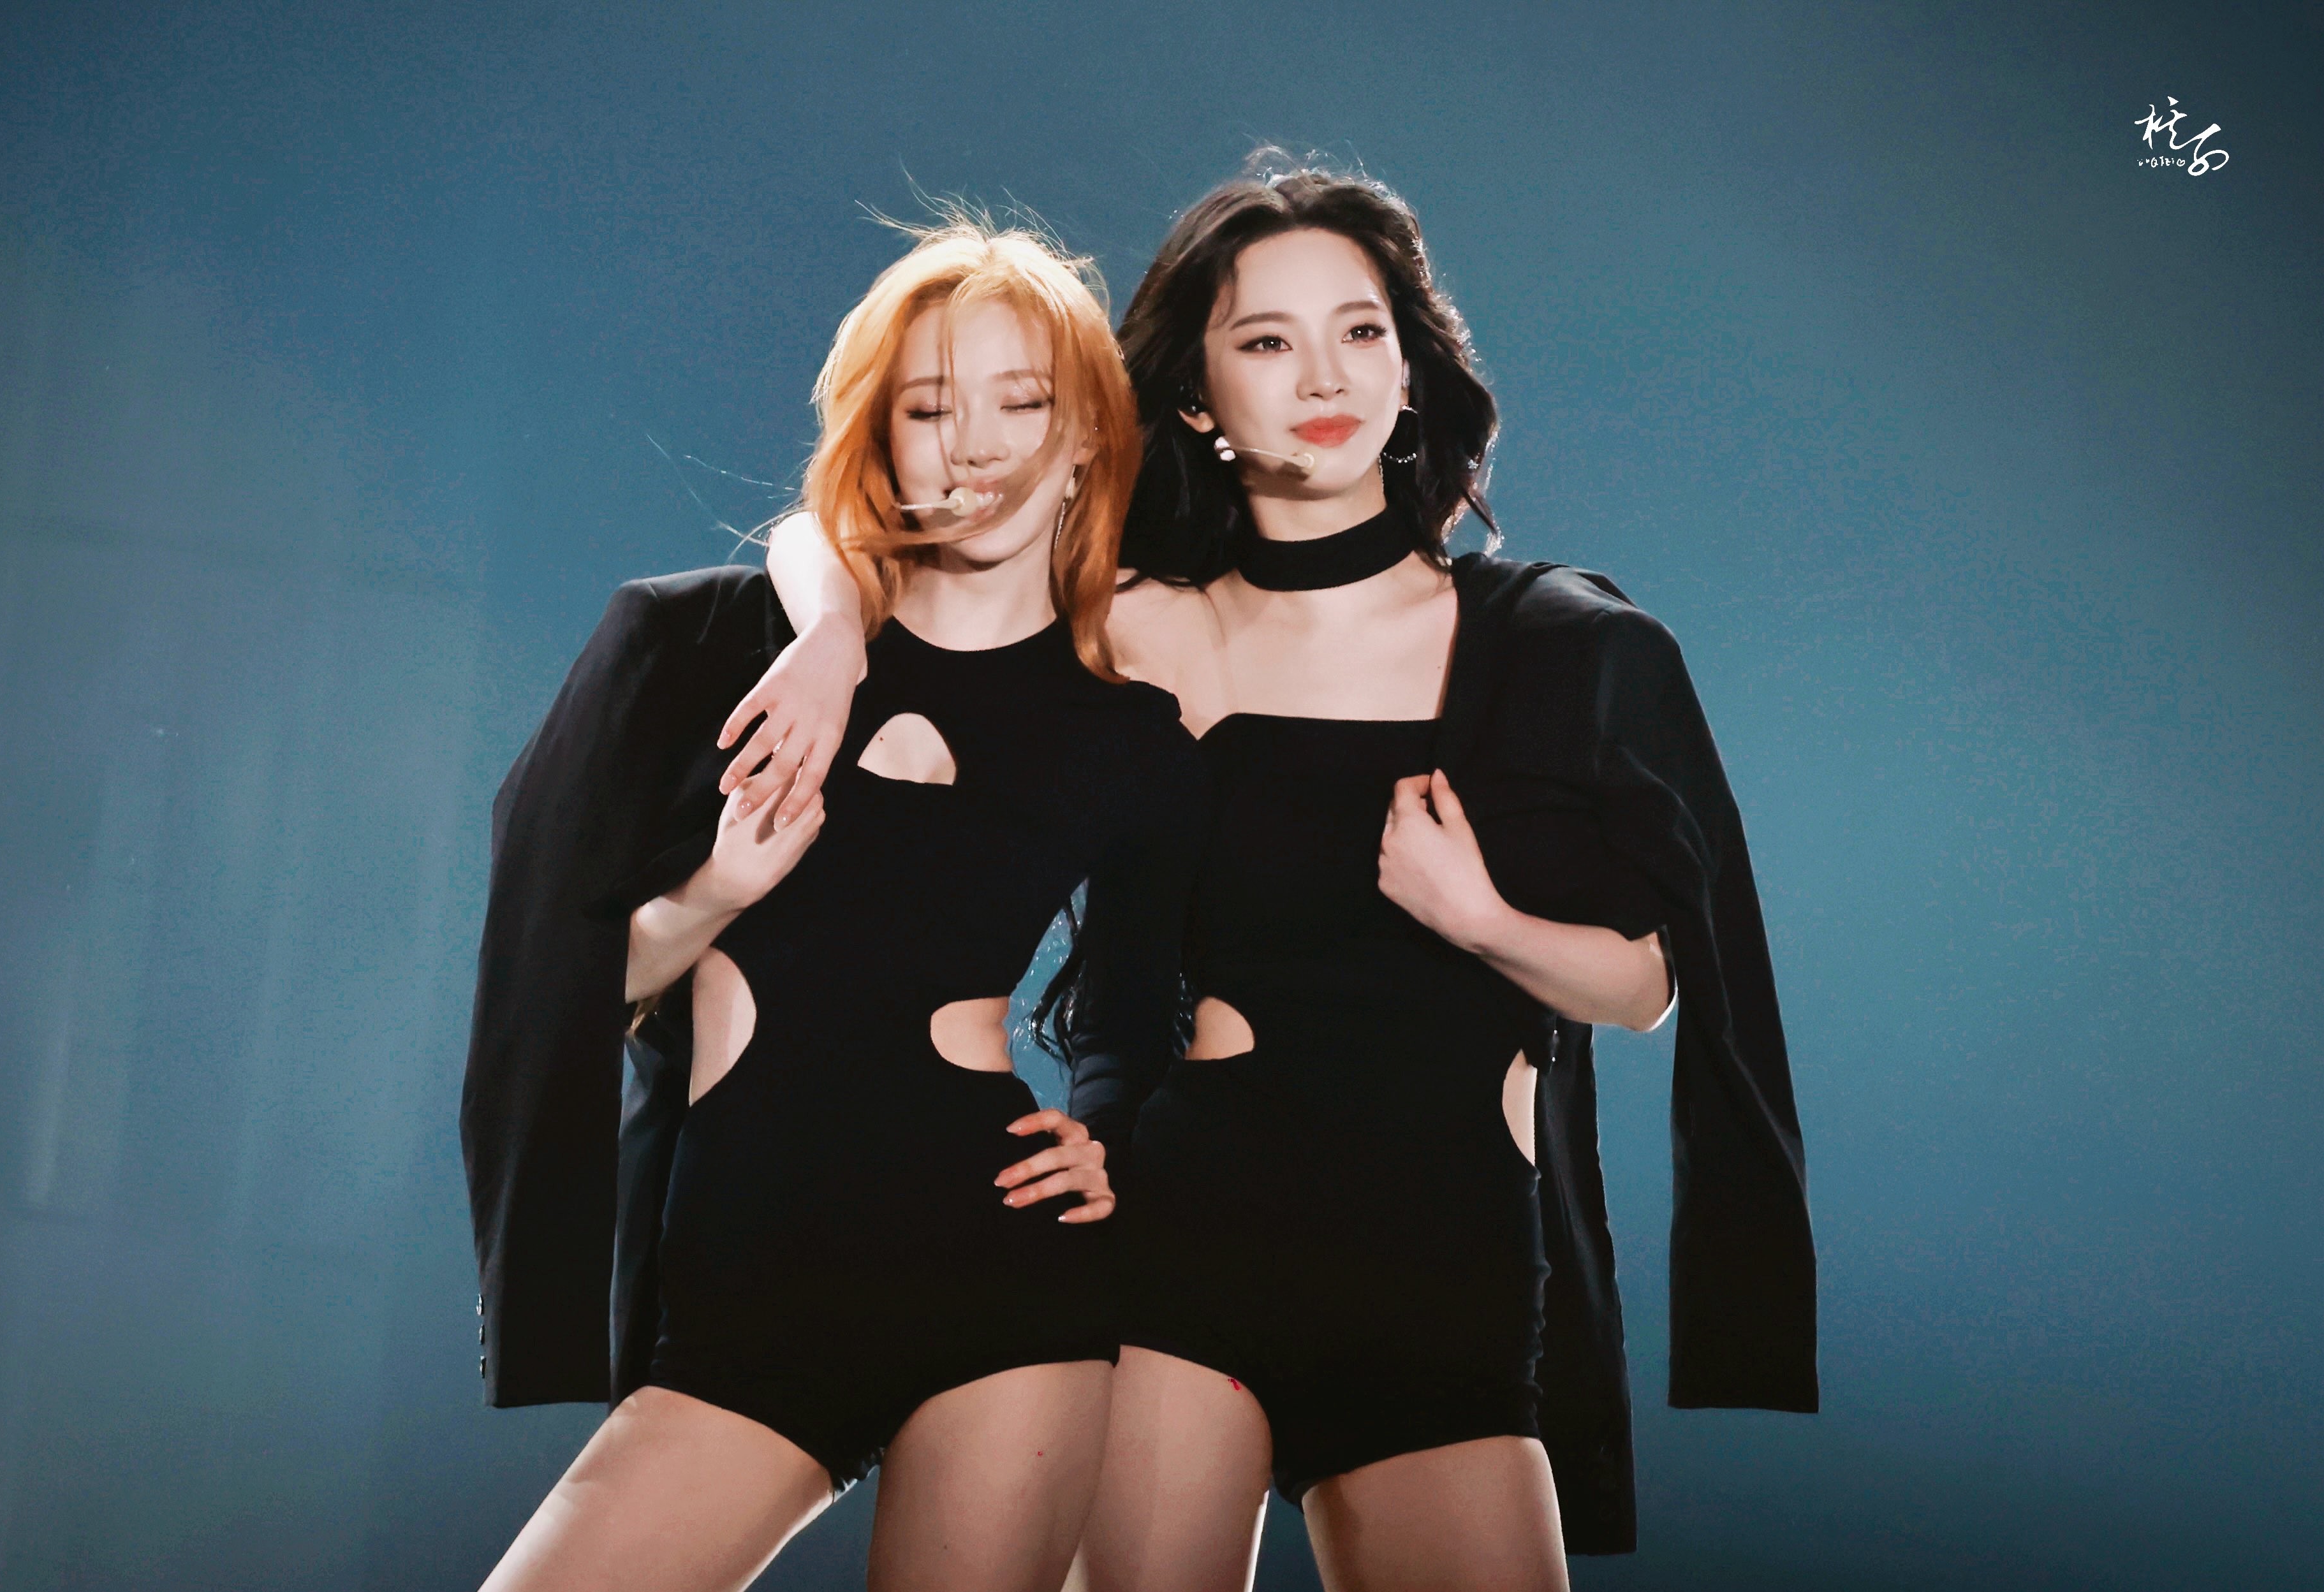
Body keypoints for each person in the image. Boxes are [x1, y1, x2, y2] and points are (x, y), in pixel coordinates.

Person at [731, 154, 1815, 1592]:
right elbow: (849, 529)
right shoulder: (1137, 621)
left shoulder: (1558, 646)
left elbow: (1647, 989)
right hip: (1183, 1242)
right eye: (1264, 340)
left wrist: (1481, 919)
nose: (1324, 375)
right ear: (1194, 395)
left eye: (1361, 330)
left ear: (1411, 367)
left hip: (1447, 1266)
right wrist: (830, 640)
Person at [460, 215, 1203, 1592]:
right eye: (928, 408)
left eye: (1021, 403)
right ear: (880, 434)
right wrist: (717, 888)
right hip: (747, 1286)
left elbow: (1134, 1012)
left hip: (1007, 1275)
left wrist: (1106, 1136)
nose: (974, 447)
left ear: (1089, 440)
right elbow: (557, 981)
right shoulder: (707, 647)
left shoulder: (1130, 736)